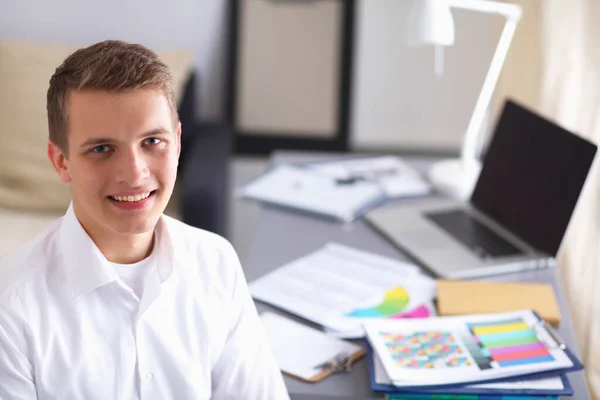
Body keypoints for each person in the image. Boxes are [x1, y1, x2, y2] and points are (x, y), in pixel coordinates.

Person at [0, 40, 289, 399]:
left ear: (178, 143)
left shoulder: (217, 264)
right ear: (61, 161)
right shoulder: (10, 308)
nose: (134, 174)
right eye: (101, 149)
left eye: (152, 141)